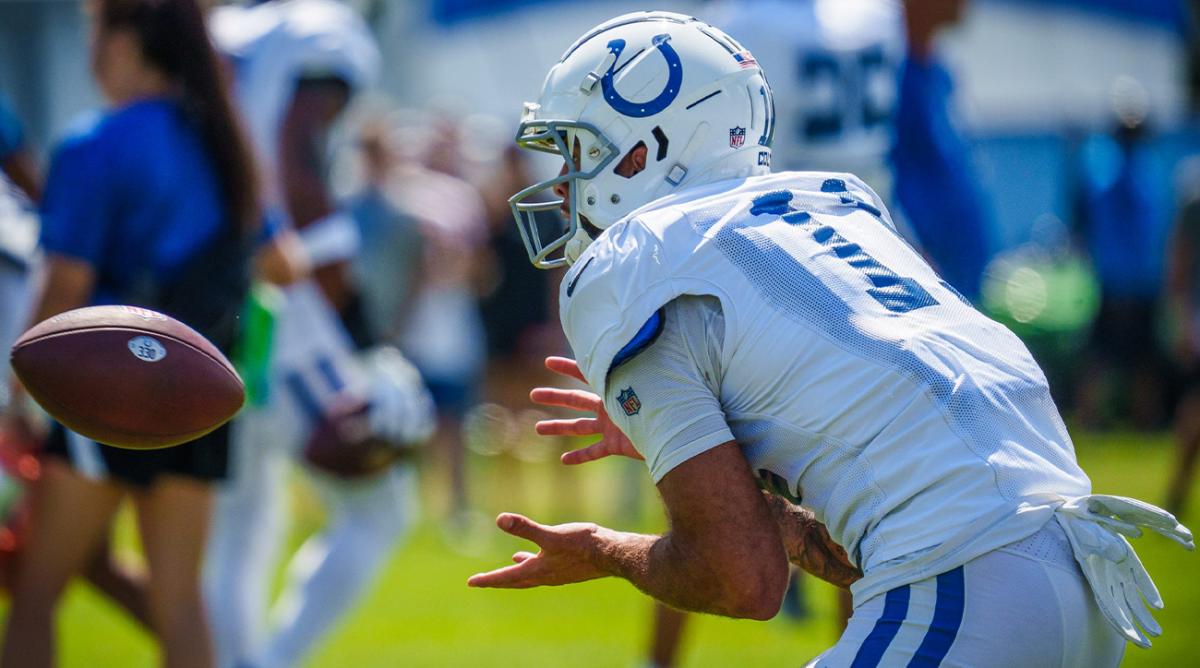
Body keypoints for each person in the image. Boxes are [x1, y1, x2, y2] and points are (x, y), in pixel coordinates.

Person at [469, 12, 1193, 666]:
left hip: (964, 583)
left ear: (645, 148)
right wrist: (726, 469)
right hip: (1080, 580)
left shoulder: (634, 262)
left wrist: (605, 550)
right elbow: (852, 542)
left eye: (578, 152)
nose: (563, 182)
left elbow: (742, 579)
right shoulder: (836, 210)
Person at [0, 0, 263, 666]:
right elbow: (277, 261)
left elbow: (67, 288)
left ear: (126, 40)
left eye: (95, 31)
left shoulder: (97, 142)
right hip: (198, 391)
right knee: (180, 603)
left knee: (34, 596)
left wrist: (18, 397)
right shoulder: (224, 141)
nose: (90, 51)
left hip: (106, 386)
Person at [205, 3, 433, 667]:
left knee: (238, 523)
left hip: (215, 296)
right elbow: (300, 176)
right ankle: (273, 661)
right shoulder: (322, 30)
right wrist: (361, 339)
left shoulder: (230, 32)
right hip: (287, 301)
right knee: (380, 507)